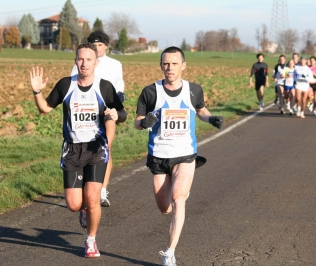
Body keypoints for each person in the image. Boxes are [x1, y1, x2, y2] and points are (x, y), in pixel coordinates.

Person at [29, 43, 127, 258]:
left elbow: (122, 113)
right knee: (74, 205)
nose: (84, 63)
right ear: (75, 60)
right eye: (80, 59)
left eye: (89, 59)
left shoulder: (105, 86)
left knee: (93, 199)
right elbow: (44, 109)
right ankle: (83, 211)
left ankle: (91, 240)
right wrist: (37, 91)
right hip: (72, 150)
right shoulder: (66, 85)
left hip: (96, 148)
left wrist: (114, 115)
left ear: (96, 62)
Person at [134, 46, 223, 266]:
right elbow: (138, 121)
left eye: (174, 63)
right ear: (160, 65)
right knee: (165, 207)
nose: (169, 68)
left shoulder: (193, 90)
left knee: (178, 198)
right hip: (158, 155)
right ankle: (177, 197)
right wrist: (144, 123)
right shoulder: (150, 92)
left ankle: (170, 253)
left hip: (185, 154)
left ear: (183, 65)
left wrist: (211, 119)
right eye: (166, 63)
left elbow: (201, 110)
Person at [71, 30, 125, 207]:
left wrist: (115, 106)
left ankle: (102, 190)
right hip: (85, 112)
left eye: (100, 45)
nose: (97, 48)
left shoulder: (115, 64)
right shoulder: (82, 62)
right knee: (84, 148)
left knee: (105, 148)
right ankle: (87, 185)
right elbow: (72, 87)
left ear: (106, 47)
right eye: (94, 45)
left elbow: (119, 89)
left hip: (107, 112)